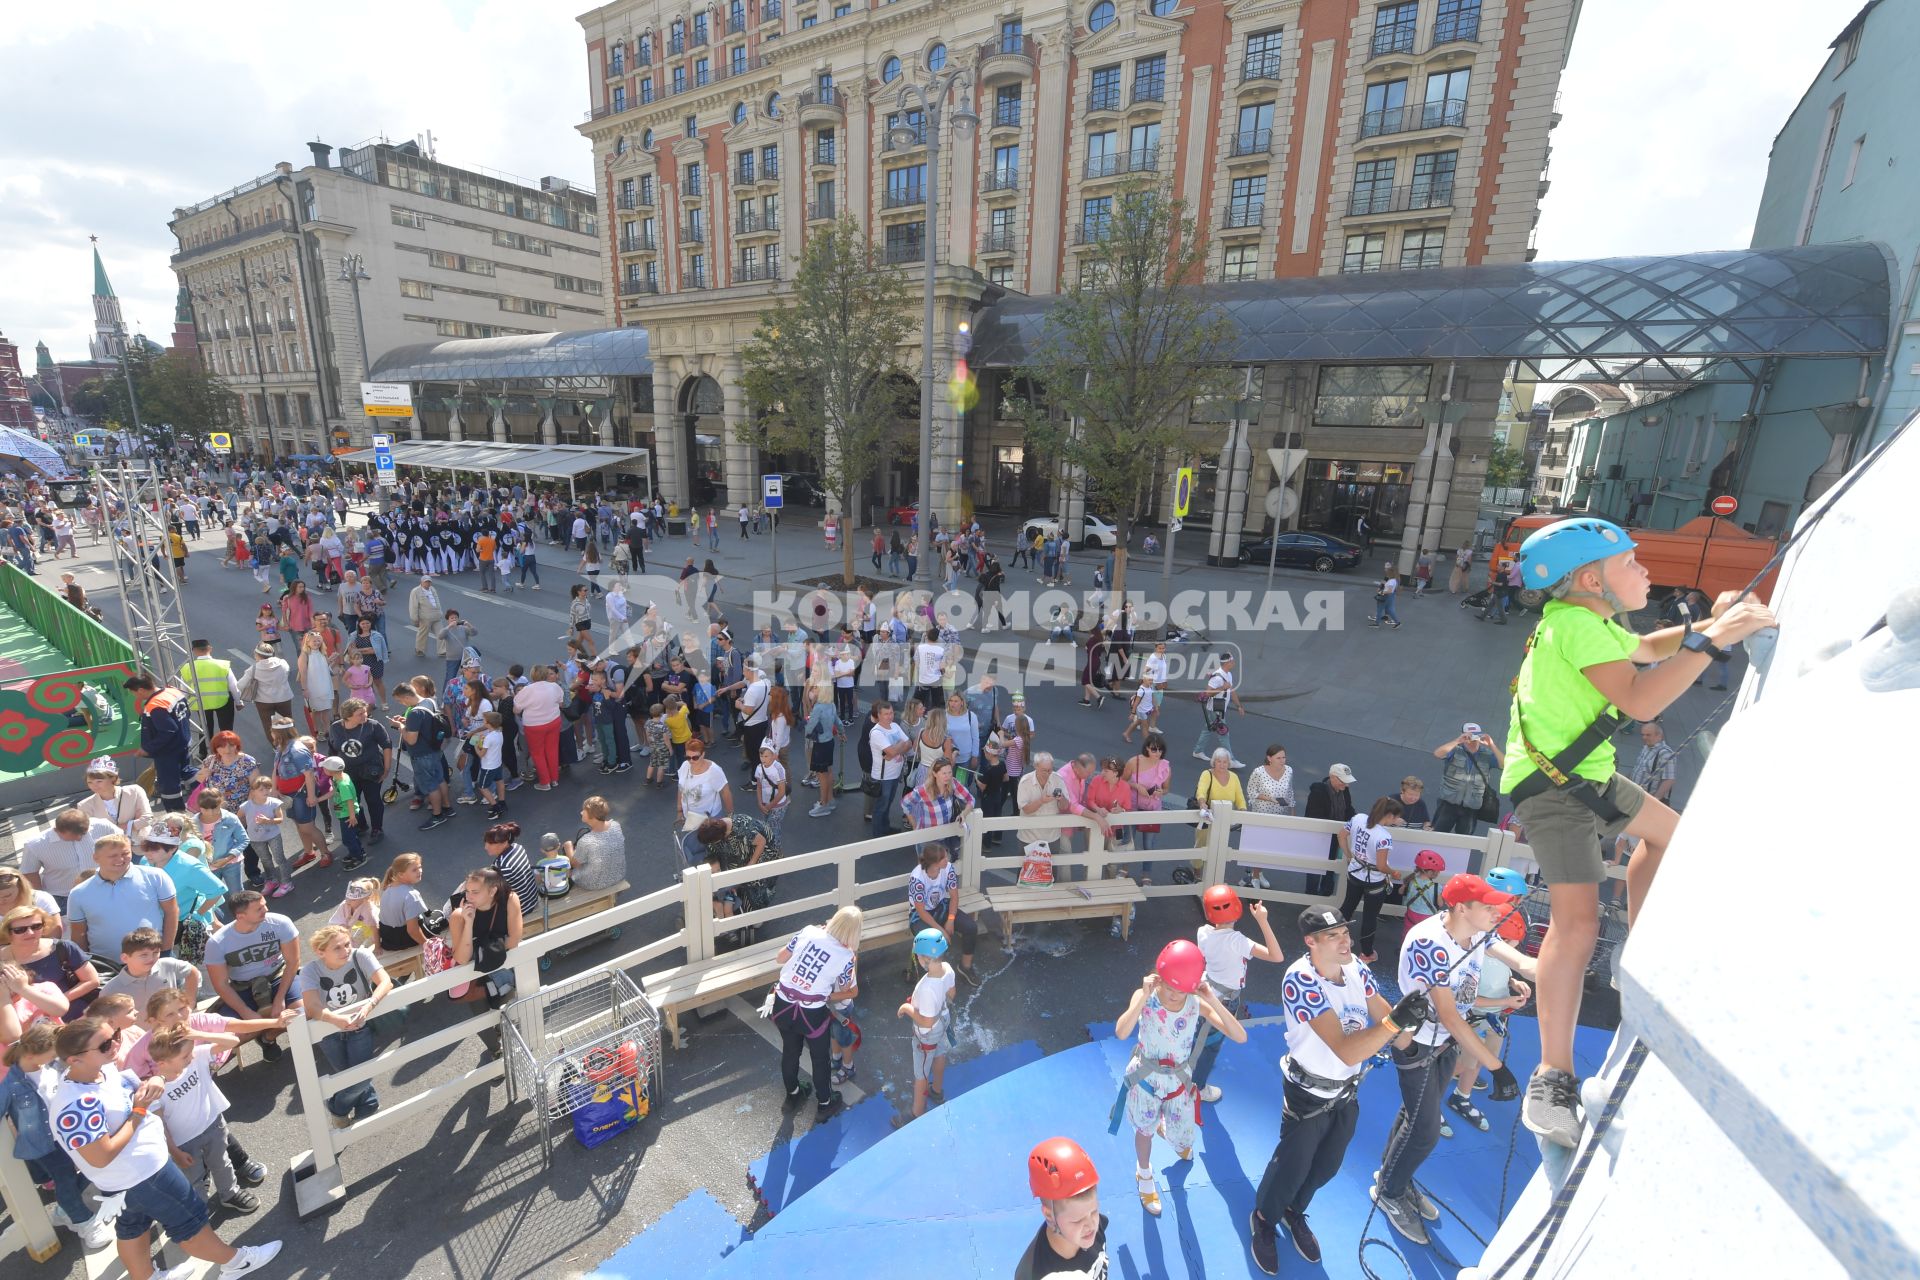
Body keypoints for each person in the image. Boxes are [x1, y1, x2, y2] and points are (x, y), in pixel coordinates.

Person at [1501, 517, 1772, 1148]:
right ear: (1592, 578)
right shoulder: (1573, 625)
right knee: (1577, 926)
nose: (1646, 571)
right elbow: (1641, 699)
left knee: (1673, 839)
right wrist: (1715, 639)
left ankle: (1639, 959)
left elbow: (1648, 650)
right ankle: (1553, 1076)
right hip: (1556, 790)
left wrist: (1710, 626)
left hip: (1581, 775)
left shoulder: (1590, 621)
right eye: (1633, 562)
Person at [1246, 908, 1428, 1273]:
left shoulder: (1357, 970)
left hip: (1345, 1090)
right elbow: (1346, 1048)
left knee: (1327, 1165)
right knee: (1292, 1166)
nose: (1346, 940)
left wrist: (1412, 1027)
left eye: (1345, 932)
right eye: (1334, 936)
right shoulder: (1300, 980)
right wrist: (1396, 1023)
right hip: (1308, 1092)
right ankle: (1265, 1220)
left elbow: (1387, 1018)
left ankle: (1294, 1212)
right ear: (1310, 942)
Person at [49, 1017, 282, 1280]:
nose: (115, 1044)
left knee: (133, 1228)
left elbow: (127, 1100)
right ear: (74, 1060)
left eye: (115, 1035)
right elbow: (101, 1156)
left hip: (133, 1177)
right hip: (143, 1177)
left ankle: (146, 1276)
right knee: (189, 1222)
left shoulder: (98, 1070)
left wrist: (151, 1085)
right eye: (104, 1044)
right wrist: (139, 1110)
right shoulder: (75, 1106)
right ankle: (237, 1263)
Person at [1371, 873, 1517, 1245]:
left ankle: (1391, 1177)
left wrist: (1555, 969)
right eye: (1487, 905)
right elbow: (1449, 1014)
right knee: (1424, 1134)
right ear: (1461, 907)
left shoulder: (1477, 931)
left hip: (1444, 1040)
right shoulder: (1429, 943)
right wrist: (1497, 1067)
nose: (1496, 911)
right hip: (1417, 1043)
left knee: (1415, 1112)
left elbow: (1523, 962)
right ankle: (1389, 1193)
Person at [1115, 940, 1247, 1215]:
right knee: (1144, 1130)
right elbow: (1122, 1032)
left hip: (1178, 1081)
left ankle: (1169, 1131)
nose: (1175, 995)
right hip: (1146, 1078)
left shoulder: (1196, 1002)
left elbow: (1240, 1036)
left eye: (1182, 990)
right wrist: (1142, 996)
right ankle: (1144, 1172)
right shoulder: (1146, 996)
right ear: (1158, 977)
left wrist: (1212, 999)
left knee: (1184, 1138)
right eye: (1169, 987)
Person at [1, 1022, 115, 1251]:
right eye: (54, 1052)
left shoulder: (53, 1066)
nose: (60, 1056)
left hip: (67, 1137)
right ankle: (84, 1221)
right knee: (65, 1180)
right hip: (45, 1145)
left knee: (87, 1171)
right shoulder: (11, 1085)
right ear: (34, 1054)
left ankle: (65, 1206)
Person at [143, 1024, 258, 1214]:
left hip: (213, 1125)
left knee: (222, 1161)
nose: (191, 1057)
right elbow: (160, 1124)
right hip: (184, 1143)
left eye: (191, 1052)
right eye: (185, 1057)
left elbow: (234, 1041)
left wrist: (197, 1034)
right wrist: (174, 1152)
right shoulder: (155, 1089)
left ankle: (230, 1193)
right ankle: (198, 1207)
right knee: (193, 1177)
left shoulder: (196, 1056)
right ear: (162, 1063)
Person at [1190, 887, 1284, 1100]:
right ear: (1237, 908)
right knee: (1209, 1045)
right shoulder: (1238, 941)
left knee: (1198, 1036)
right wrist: (1262, 920)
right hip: (1222, 1000)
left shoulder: (1203, 932)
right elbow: (1276, 956)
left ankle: (1188, 1078)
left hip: (1207, 989)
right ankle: (1196, 1088)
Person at [769, 905, 861, 1120]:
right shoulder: (847, 956)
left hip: (782, 1003)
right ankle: (825, 1103)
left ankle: (793, 1095)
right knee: (820, 1059)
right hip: (811, 1012)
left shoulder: (808, 931)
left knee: (790, 1052)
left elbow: (780, 958)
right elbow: (846, 986)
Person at [298, 925, 394, 1125]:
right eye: (337, 948)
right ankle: (369, 1104)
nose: (345, 951)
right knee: (350, 1078)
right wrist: (336, 1020)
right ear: (320, 952)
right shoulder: (310, 971)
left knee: (360, 1077)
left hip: (360, 1028)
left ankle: (337, 1107)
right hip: (328, 1034)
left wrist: (368, 1006)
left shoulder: (361, 956)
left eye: (347, 944)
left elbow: (385, 982)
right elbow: (312, 1006)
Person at [203, 891, 300, 1061]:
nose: (266, 910)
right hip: (242, 986)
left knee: (301, 1013)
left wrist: (280, 999)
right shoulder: (218, 942)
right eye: (259, 909)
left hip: (278, 976)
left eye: (264, 905)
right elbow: (221, 984)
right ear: (241, 916)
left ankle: (267, 1038)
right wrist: (246, 1013)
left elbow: (293, 962)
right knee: (228, 1036)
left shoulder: (280, 923)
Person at [67, 835, 179, 965]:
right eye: (113, 856)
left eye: (125, 853)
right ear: (96, 858)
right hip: (107, 966)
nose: (120, 859)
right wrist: (82, 965)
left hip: (153, 960)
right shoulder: (78, 893)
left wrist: (165, 951)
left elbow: (172, 912)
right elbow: (78, 933)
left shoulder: (156, 877)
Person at [1016, 1137, 1107, 1279]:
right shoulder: (1034, 1274)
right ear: (1049, 1215)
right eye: (1077, 1221)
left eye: (1094, 1211)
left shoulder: (1091, 1226)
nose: (1091, 1225)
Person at [892, 928, 955, 1129]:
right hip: (944, 1020)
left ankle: (917, 1112)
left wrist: (908, 1008)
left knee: (921, 1074)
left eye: (917, 956)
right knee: (940, 1055)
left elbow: (926, 1022)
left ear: (925, 959)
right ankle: (937, 1091)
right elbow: (951, 994)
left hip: (927, 1034)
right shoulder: (947, 968)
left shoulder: (928, 987)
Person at [1337, 796, 1406, 963]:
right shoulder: (1384, 837)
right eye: (1395, 817)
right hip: (1374, 880)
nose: (1395, 820)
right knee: (1369, 916)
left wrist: (1349, 856)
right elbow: (1382, 866)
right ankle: (1366, 953)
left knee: (1347, 907)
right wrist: (1394, 873)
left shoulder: (1358, 818)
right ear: (1389, 815)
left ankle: (1337, 941)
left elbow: (1341, 835)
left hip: (1354, 871)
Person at [6, 904, 100, 1017]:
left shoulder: (63, 948)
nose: (30, 933)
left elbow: (91, 980)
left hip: (72, 1016)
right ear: (8, 933)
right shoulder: (2, 958)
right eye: (20, 930)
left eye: (36, 927)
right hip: (23, 1023)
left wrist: (55, 1003)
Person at [446, 867, 523, 1007]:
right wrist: (468, 923)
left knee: (502, 991)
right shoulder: (458, 916)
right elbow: (462, 959)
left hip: (497, 958)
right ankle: (493, 991)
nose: (469, 897)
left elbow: (514, 940)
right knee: (461, 996)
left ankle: (497, 995)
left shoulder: (510, 899)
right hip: (478, 963)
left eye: (475, 892)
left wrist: (486, 954)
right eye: (467, 891)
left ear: (493, 891)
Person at [20, 807, 119, 908]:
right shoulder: (35, 845)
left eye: (83, 834)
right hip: (63, 897)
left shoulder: (103, 826)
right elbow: (30, 873)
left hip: (105, 888)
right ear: (56, 830)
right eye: (72, 837)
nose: (79, 838)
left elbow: (123, 843)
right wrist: (38, 901)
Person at [326, 698, 393, 845]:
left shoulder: (373, 726)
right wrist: (332, 773)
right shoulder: (335, 728)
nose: (365, 715)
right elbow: (332, 750)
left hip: (371, 770)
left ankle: (377, 829)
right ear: (348, 716)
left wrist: (387, 768)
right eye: (360, 713)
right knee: (352, 800)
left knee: (373, 800)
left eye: (365, 712)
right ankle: (361, 825)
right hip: (347, 774)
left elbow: (387, 745)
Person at [124, 671, 192, 812]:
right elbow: (187, 714)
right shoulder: (172, 692)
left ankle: (176, 814)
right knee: (186, 772)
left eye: (134, 693)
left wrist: (148, 748)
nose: (135, 696)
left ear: (141, 690)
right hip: (183, 742)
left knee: (169, 786)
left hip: (168, 752)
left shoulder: (155, 706)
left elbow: (168, 730)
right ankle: (208, 790)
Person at [100, 926, 200, 1015]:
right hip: (139, 1035)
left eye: (155, 952)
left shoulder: (167, 965)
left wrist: (190, 1004)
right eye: (144, 955)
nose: (151, 958)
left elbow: (192, 972)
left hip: (172, 1031)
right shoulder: (111, 989)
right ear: (125, 958)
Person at [1431, 723, 1504, 835]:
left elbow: (1504, 765)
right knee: (1436, 835)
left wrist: (1492, 745)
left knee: (1465, 841)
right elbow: (1437, 754)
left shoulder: (1488, 755)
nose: (1473, 740)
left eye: (1476, 736)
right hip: (1448, 803)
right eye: (1469, 736)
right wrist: (1457, 741)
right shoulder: (1454, 749)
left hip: (1471, 806)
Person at [1303, 764, 1358, 896]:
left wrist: (1355, 820)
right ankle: (1311, 898)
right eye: (1344, 781)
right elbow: (1314, 818)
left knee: (1331, 869)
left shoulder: (1344, 790)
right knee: (1315, 870)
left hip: (1336, 838)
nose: (1347, 785)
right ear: (1333, 777)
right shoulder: (1318, 793)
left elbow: (1348, 809)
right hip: (1319, 840)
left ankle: (1325, 895)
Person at [867, 699, 913, 840]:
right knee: (881, 805)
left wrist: (895, 749)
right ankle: (878, 835)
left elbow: (909, 743)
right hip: (883, 777)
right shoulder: (876, 732)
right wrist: (899, 747)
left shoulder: (895, 726)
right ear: (879, 715)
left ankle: (884, 828)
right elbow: (892, 752)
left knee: (888, 803)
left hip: (894, 774)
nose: (890, 716)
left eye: (891, 713)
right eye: (886, 714)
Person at [514, 666, 565, 791]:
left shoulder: (526, 690)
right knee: (552, 750)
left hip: (534, 726)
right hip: (553, 721)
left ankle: (545, 782)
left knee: (538, 753)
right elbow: (561, 703)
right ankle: (554, 779)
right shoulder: (554, 687)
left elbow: (516, 710)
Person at [562, 796, 627, 893]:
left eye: (584, 811)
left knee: (567, 871)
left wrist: (568, 847)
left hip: (594, 884)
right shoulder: (616, 825)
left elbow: (575, 864)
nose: (581, 812)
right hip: (618, 875)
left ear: (592, 816)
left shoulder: (586, 841)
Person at [180, 639, 242, 738]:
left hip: (200, 703)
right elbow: (233, 686)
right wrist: (239, 702)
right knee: (226, 729)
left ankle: (204, 752)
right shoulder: (223, 665)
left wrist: (184, 707)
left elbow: (184, 691)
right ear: (210, 649)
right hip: (223, 702)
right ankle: (227, 749)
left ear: (194, 651)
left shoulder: (187, 668)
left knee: (205, 728)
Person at [1191, 653, 1243, 767]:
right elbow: (1208, 693)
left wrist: (1239, 706)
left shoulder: (1228, 674)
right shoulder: (1217, 677)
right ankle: (1231, 761)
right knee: (1223, 734)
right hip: (1215, 709)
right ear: (1227, 663)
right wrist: (1222, 687)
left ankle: (1198, 751)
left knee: (1207, 729)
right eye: (1232, 661)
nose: (1234, 663)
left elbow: (1232, 690)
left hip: (1219, 709)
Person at [482, 823, 542, 919]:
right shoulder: (518, 847)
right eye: (486, 842)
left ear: (505, 842)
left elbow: (493, 893)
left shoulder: (503, 866)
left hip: (521, 909)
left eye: (491, 843)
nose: (486, 847)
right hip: (532, 899)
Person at [320, 757, 367, 870]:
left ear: (331, 771)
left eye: (324, 768)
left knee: (348, 838)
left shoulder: (342, 784)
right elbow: (335, 792)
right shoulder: (341, 777)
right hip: (345, 813)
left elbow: (349, 800)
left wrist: (351, 817)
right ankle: (359, 851)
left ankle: (359, 858)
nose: (323, 769)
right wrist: (319, 799)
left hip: (347, 815)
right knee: (352, 836)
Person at [377, 854, 431, 953]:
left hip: (387, 939)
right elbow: (412, 931)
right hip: (402, 940)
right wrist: (427, 945)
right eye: (414, 870)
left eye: (420, 867)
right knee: (436, 921)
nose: (420, 871)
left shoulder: (387, 888)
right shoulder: (411, 895)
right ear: (401, 874)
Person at [239, 643, 295, 739]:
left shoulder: (254, 669)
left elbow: (240, 685)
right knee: (287, 722)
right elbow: (286, 672)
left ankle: (276, 747)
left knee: (269, 725)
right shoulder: (283, 663)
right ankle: (291, 743)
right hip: (284, 698)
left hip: (264, 702)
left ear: (257, 655)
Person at [1401, 850, 1446, 928]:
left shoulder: (1411, 880)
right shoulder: (1437, 887)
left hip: (1411, 914)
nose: (1438, 873)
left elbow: (1400, 891)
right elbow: (1440, 904)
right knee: (1424, 937)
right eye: (1437, 871)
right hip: (1427, 917)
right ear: (1428, 871)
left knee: (1408, 934)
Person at [1370, 564, 1401, 629]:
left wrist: (1381, 592)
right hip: (1390, 596)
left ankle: (1377, 624)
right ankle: (1397, 622)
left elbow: (1389, 590)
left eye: (1388, 571)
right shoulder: (1394, 580)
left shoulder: (1391, 581)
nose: (1386, 571)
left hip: (1386, 596)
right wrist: (1384, 584)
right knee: (1390, 610)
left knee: (1379, 609)